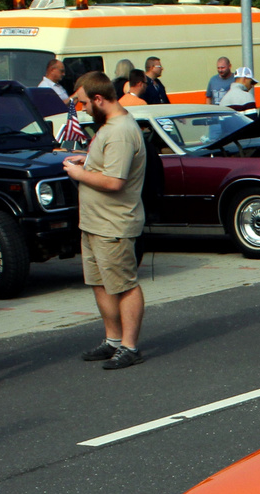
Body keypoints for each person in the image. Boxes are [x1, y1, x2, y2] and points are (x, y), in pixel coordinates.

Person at [65, 72, 148, 371]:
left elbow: (114, 181)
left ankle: (129, 345)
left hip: (114, 223)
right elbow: (104, 165)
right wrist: (83, 161)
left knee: (123, 285)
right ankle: (113, 340)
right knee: (100, 283)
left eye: (84, 103)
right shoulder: (108, 127)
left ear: (99, 99)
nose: (83, 109)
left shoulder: (120, 131)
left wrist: (79, 174)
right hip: (93, 222)